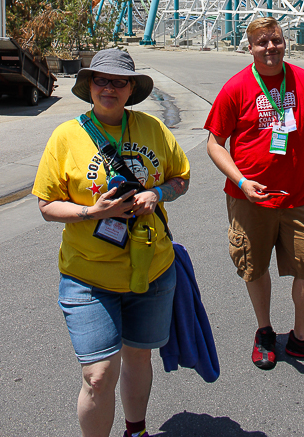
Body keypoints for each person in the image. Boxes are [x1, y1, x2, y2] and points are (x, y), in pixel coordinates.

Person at [33, 49, 190, 437]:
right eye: (102, 80)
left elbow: (181, 179)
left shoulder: (152, 128)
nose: (109, 88)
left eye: (119, 82)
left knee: (139, 357)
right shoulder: (66, 136)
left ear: (130, 89)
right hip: (88, 275)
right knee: (98, 375)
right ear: (89, 86)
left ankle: (136, 430)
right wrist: (93, 213)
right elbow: (46, 206)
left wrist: (157, 195)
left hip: (152, 270)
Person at [205, 16, 304, 370]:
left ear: (285, 43)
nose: (270, 47)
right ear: (250, 48)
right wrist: (241, 181)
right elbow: (214, 143)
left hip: (297, 196)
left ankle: (302, 338)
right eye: (262, 42)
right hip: (249, 197)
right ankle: (264, 331)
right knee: (254, 266)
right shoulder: (235, 88)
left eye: (276, 40)